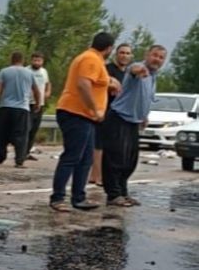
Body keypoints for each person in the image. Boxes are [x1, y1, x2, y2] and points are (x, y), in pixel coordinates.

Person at [49, 32, 119, 212]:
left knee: (85, 158)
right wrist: (94, 108)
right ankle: (57, 198)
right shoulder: (91, 60)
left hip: (84, 116)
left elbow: (95, 81)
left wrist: (110, 82)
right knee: (72, 156)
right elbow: (83, 84)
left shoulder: (92, 59)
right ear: (109, 48)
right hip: (76, 113)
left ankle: (79, 197)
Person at [102, 45, 166, 206]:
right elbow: (134, 69)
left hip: (133, 122)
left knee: (130, 160)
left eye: (161, 57)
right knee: (115, 158)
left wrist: (144, 116)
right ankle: (113, 195)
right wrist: (139, 70)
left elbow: (145, 97)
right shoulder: (138, 69)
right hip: (119, 118)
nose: (157, 59)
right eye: (154, 55)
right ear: (147, 54)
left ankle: (123, 192)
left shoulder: (153, 76)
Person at [90, 43, 132, 185]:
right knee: (99, 144)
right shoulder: (107, 69)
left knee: (113, 147)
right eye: (122, 52)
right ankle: (97, 176)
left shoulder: (129, 73)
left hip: (121, 114)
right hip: (105, 110)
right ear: (116, 54)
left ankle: (99, 175)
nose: (124, 55)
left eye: (127, 53)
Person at [0, 51, 41, 168]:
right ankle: (19, 160)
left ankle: (0, 157)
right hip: (22, 108)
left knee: (1, 134)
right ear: (22, 61)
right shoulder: (29, 73)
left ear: (11, 59)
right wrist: (38, 103)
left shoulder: (4, 71)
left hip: (5, 107)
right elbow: (36, 90)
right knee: (21, 135)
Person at [25, 52, 50, 161]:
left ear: (42, 61)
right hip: (28, 103)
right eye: (34, 60)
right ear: (31, 60)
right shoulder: (26, 70)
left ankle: (27, 152)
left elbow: (48, 83)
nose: (36, 62)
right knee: (26, 128)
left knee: (34, 130)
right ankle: (21, 152)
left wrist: (48, 92)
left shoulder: (44, 72)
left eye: (38, 60)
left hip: (40, 104)